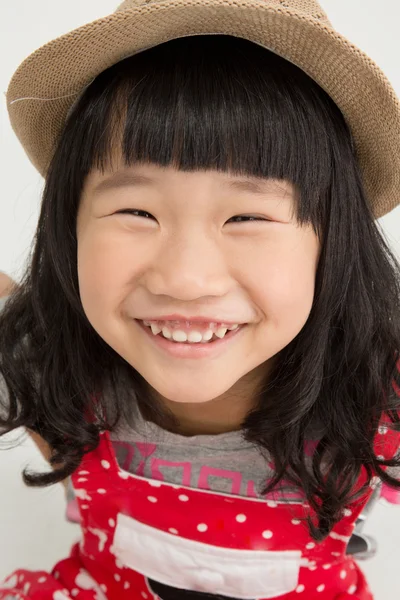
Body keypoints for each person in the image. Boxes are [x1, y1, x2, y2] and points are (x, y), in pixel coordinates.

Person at [0, 0, 400, 598]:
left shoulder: (383, 393)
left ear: (334, 243)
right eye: (136, 211)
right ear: (68, 224)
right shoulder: (39, 356)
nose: (185, 280)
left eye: (247, 215)